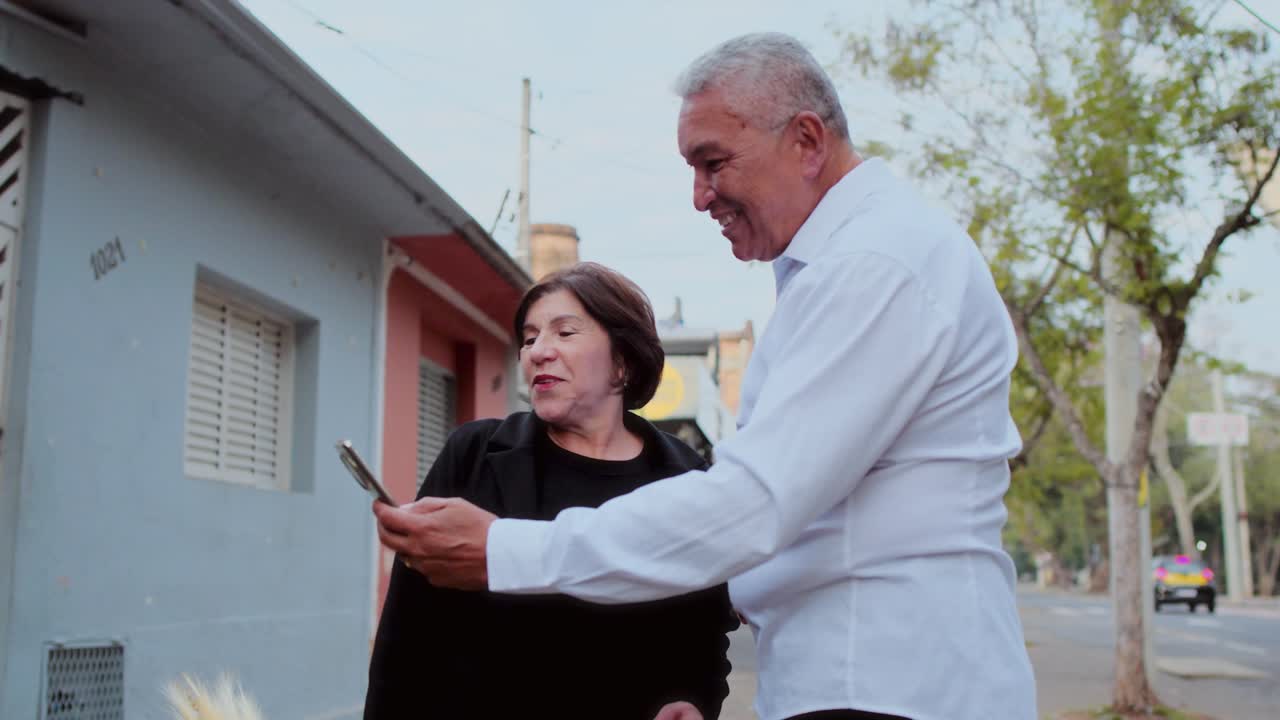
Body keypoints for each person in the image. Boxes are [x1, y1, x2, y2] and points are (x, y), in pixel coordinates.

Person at [374, 33, 1037, 720]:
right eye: (532, 335)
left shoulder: (878, 264)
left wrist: (505, 549)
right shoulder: (478, 453)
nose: (699, 197)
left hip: (890, 686)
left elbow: (753, 505)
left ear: (807, 142)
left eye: (713, 163)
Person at [365, 262, 737, 720]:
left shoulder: (685, 478)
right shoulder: (476, 453)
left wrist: (695, 701)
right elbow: (409, 631)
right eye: (529, 337)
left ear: (622, 361)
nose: (539, 351)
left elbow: (705, 633)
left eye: (564, 333)